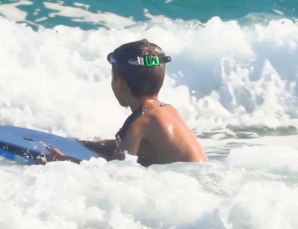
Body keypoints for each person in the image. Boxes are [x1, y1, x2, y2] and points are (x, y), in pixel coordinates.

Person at [49, 39, 208, 166]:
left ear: (120, 83)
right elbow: (145, 146)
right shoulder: (168, 110)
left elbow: (117, 172)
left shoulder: (140, 121)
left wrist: (65, 161)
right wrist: (98, 145)